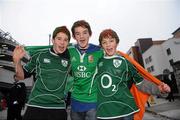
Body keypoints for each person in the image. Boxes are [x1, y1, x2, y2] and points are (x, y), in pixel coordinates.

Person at [96, 29, 170, 120]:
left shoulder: (126, 62)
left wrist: (159, 89)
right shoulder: (97, 62)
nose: (108, 44)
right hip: (105, 112)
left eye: (111, 41)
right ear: (101, 46)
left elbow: (140, 83)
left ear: (117, 43)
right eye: (104, 42)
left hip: (126, 109)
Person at [13, 26, 71, 120]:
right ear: (53, 40)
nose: (62, 42)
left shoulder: (70, 59)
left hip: (58, 108)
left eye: (65, 40)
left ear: (68, 43)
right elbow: (21, 76)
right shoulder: (39, 55)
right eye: (59, 38)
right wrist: (17, 61)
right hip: (36, 105)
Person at [68, 20, 103, 120]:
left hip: (93, 102)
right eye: (78, 34)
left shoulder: (99, 51)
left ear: (90, 34)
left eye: (84, 32)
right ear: (74, 37)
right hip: (75, 102)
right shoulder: (69, 51)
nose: (81, 37)